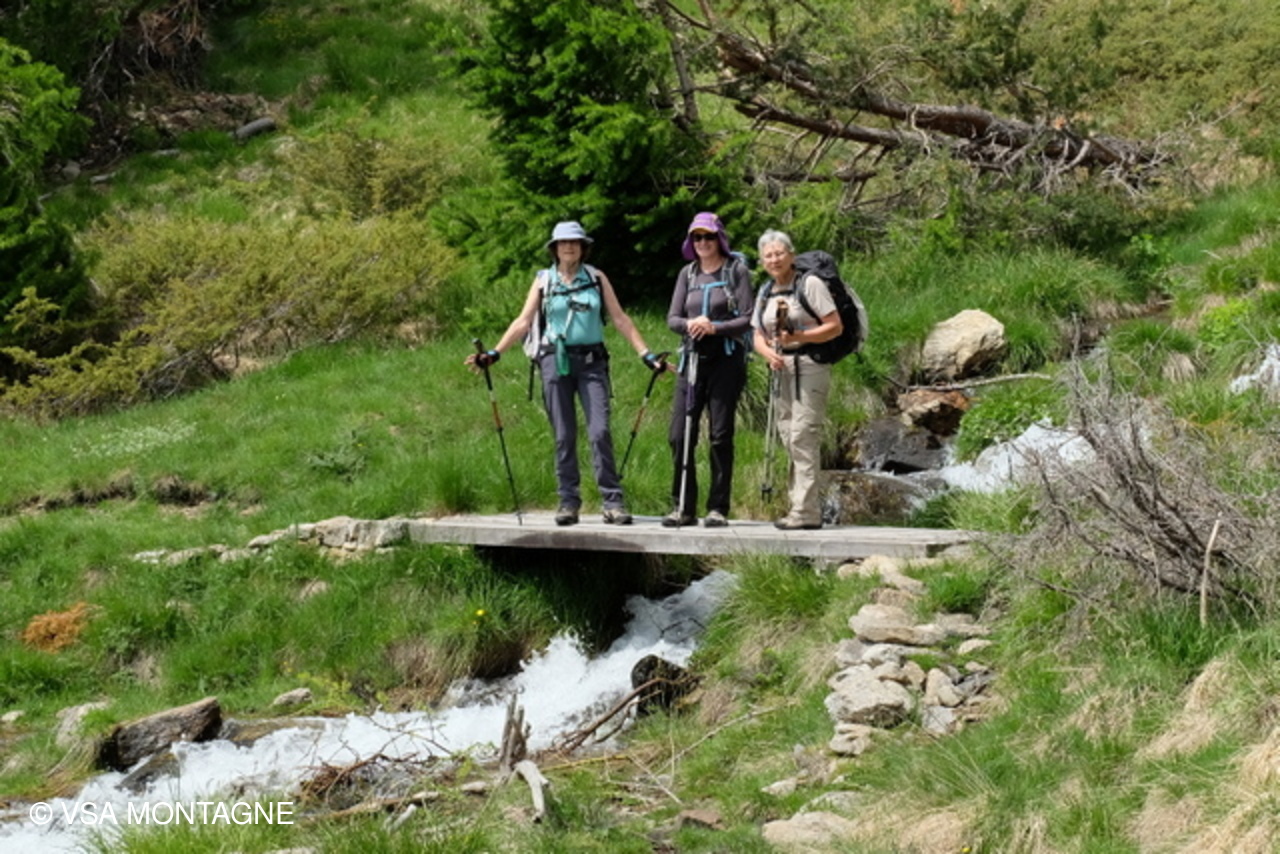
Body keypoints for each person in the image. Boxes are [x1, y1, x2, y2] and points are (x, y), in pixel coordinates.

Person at [466, 221, 665, 526]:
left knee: (600, 431)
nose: (569, 247)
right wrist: (494, 353)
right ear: (555, 248)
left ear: (583, 247)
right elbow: (523, 321)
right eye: (563, 243)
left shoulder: (596, 278)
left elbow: (620, 319)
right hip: (554, 361)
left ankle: (612, 502)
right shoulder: (544, 280)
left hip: (592, 362)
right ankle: (568, 502)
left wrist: (646, 354)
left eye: (574, 242)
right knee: (563, 435)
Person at [663, 212, 754, 528]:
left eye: (709, 236)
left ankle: (717, 508)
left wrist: (714, 327)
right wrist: (691, 324)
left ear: (720, 239)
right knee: (679, 434)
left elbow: (748, 317)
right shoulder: (687, 274)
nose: (703, 242)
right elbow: (672, 318)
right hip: (691, 360)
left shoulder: (736, 271)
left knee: (720, 434)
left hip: (726, 360)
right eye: (697, 237)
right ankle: (683, 507)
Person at [751, 229, 843, 530]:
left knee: (803, 435)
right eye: (768, 255)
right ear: (762, 261)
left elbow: (835, 326)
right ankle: (800, 506)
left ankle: (805, 511)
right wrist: (768, 353)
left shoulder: (810, 284)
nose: (774, 259)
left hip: (810, 365)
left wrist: (799, 336)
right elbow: (757, 335)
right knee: (788, 435)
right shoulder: (765, 291)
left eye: (779, 253)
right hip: (781, 368)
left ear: (791, 254)